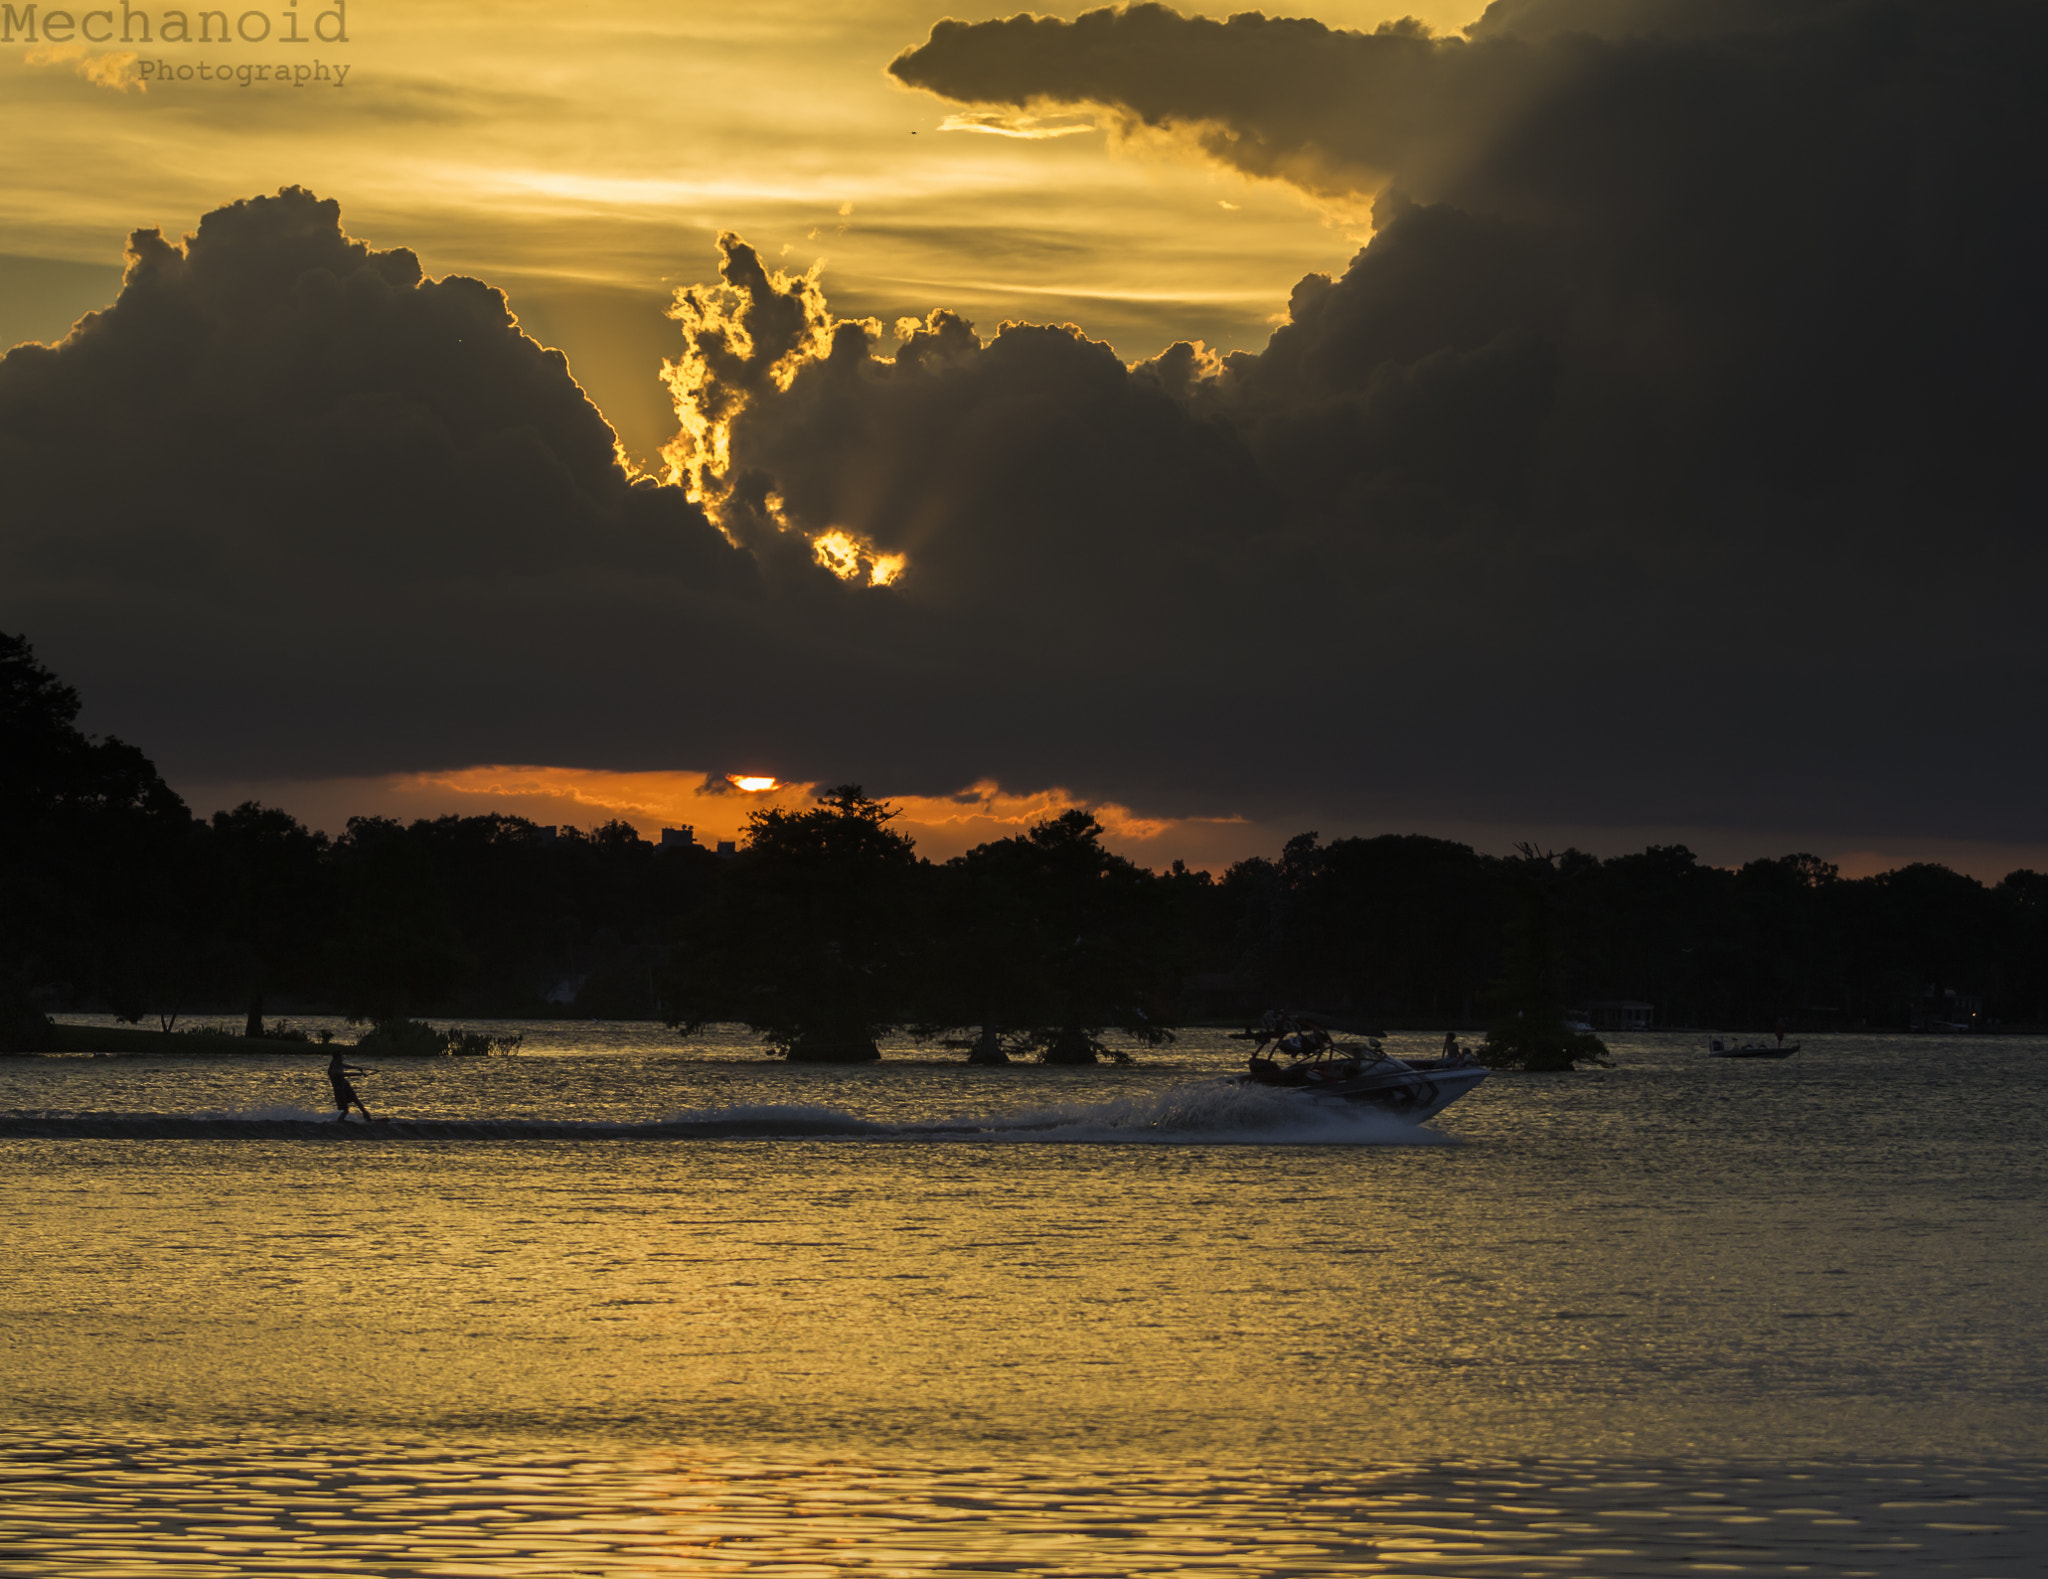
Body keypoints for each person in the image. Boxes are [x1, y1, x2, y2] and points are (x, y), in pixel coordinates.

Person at [327, 1047, 372, 1122]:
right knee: (346, 1110)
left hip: (345, 1085)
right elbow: (346, 1074)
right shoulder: (333, 1070)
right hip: (339, 1090)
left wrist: (357, 1067)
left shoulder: (337, 1062)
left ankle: (367, 1117)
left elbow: (344, 1065)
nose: (343, 1058)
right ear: (338, 1058)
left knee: (357, 1101)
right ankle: (339, 1122)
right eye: (341, 1056)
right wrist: (360, 1074)